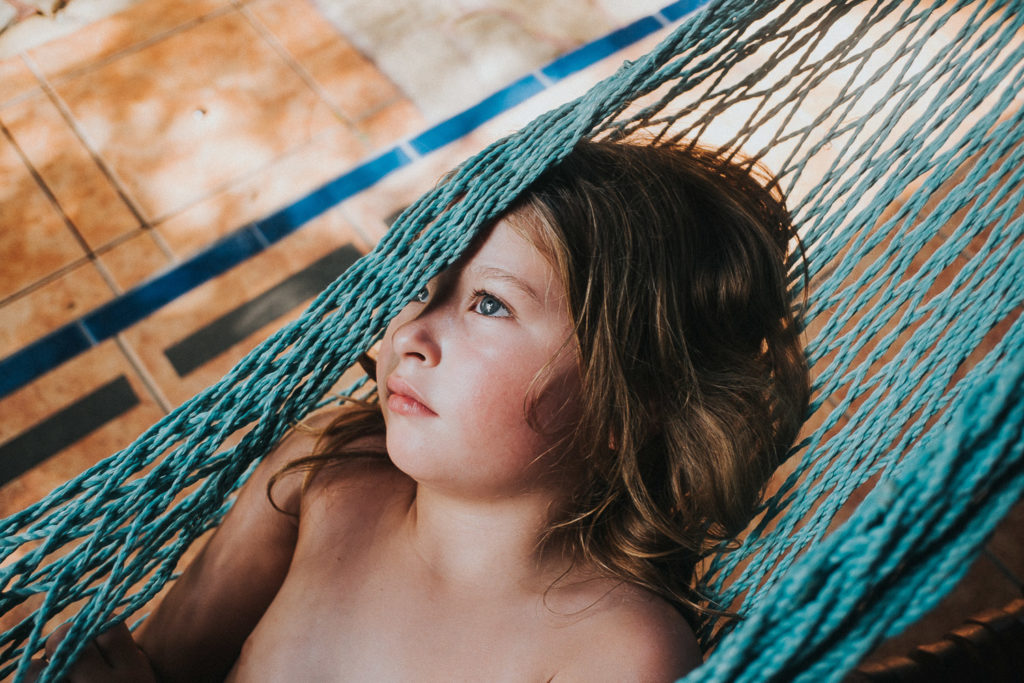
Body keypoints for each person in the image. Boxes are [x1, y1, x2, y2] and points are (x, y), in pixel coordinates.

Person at [32, 138, 809, 682]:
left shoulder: (614, 654)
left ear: (628, 402)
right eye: (425, 286)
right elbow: (160, 663)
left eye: (489, 304)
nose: (410, 331)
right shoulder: (325, 474)